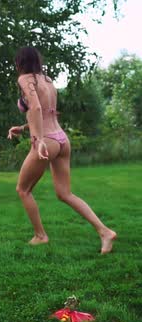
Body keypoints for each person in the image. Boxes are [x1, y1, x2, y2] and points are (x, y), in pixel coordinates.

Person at [7, 46, 117, 253]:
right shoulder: (47, 81)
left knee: (23, 190)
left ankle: (40, 236)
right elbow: (49, 113)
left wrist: (38, 139)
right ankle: (105, 232)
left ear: (20, 62)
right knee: (65, 193)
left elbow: (37, 108)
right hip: (61, 139)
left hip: (46, 141)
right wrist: (23, 128)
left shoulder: (25, 79)